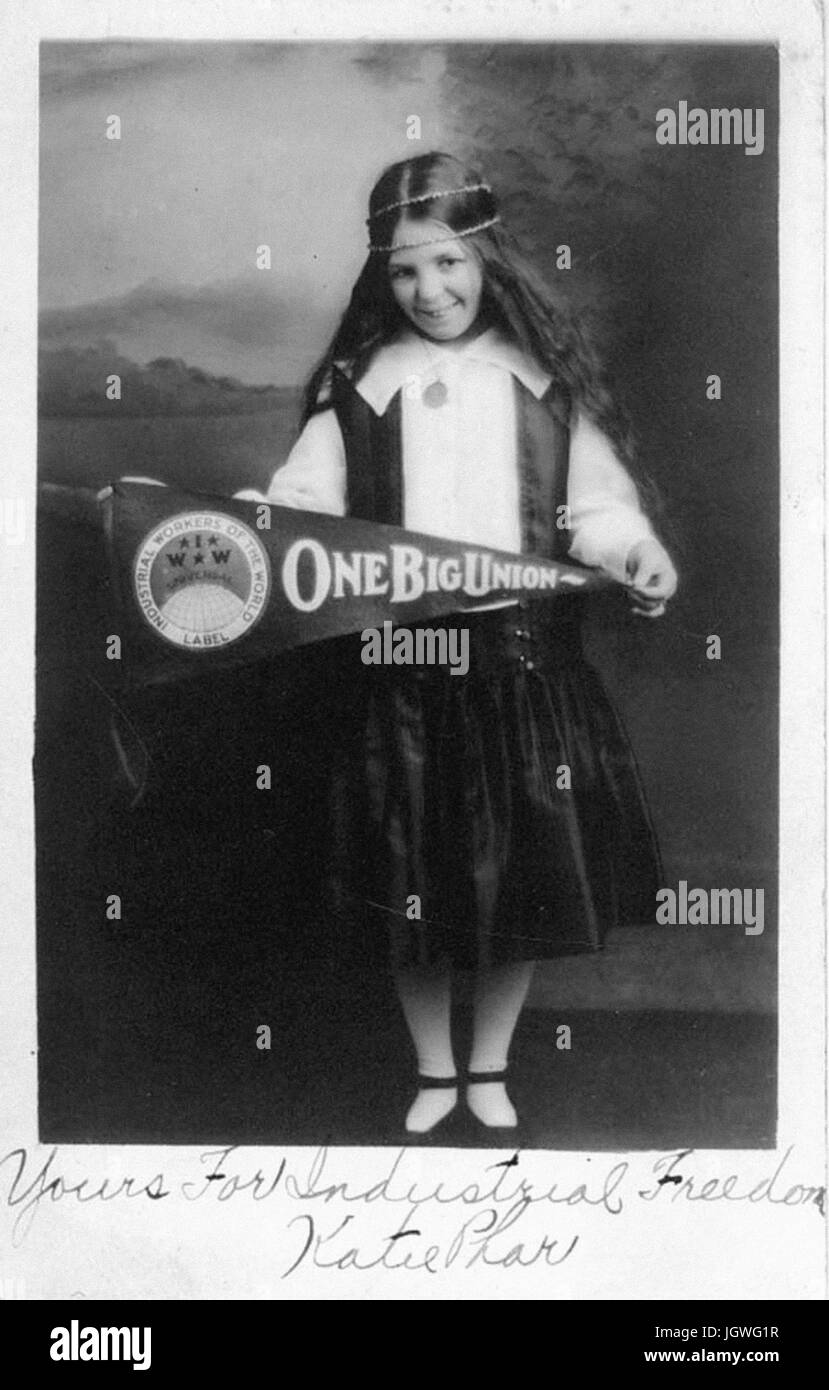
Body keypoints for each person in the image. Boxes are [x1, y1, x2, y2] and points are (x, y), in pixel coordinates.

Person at [236, 152, 678, 1138]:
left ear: (484, 259)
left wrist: (632, 549)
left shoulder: (543, 385)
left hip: (517, 676)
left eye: (445, 264)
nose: (427, 291)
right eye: (403, 271)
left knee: (514, 877)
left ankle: (490, 1064)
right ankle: (432, 1070)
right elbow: (304, 504)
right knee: (413, 885)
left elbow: (594, 505)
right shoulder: (361, 387)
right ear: (379, 278)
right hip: (398, 681)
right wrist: (252, 522)